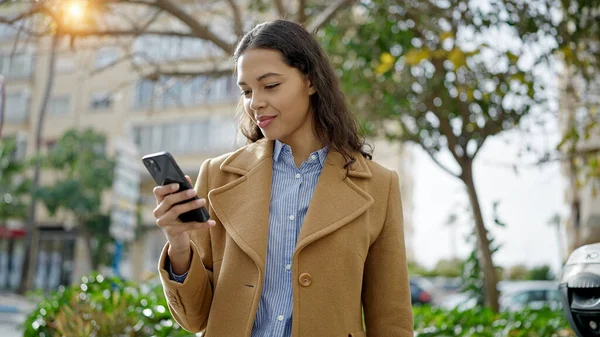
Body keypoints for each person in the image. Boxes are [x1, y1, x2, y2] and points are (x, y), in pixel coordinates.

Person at [152, 19, 413, 337]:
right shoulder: (217, 176)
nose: (255, 102)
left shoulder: (379, 186)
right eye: (246, 91)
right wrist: (179, 245)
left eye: (270, 85)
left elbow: (391, 321)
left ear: (311, 81)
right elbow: (196, 319)